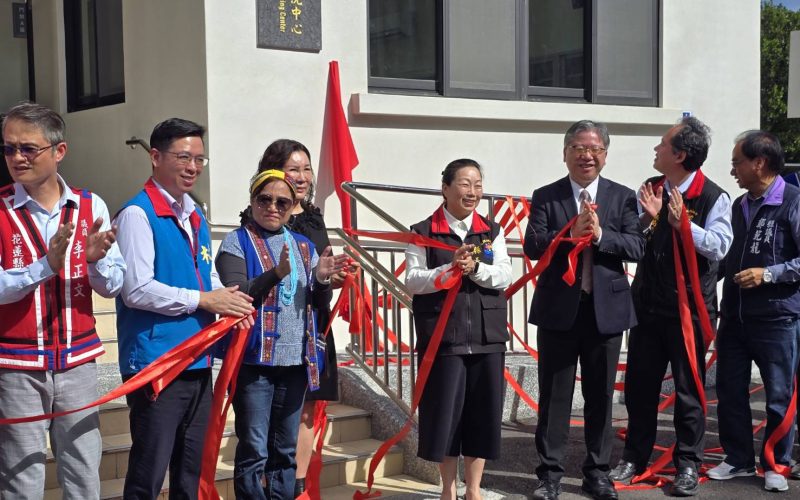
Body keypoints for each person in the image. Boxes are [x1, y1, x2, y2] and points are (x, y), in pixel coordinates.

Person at [115, 118, 255, 499]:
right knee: (149, 471)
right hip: (157, 364)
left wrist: (228, 302)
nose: (193, 167)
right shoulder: (137, 214)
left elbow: (205, 274)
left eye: (199, 159)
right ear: (155, 157)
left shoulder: (195, 214)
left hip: (197, 360)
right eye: (184, 157)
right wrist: (204, 300)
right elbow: (136, 290)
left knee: (191, 471)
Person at [0, 102, 125, 499]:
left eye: (27, 149)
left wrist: (94, 263)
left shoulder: (92, 206)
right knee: (21, 476)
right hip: (18, 364)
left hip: (78, 361)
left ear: (59, 152)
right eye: (8, 148)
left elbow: (113, 286)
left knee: (83, 470)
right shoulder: (1, 207)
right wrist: (44, 267)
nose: (16, 158)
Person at [610, 116, 733, 497]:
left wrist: (684, 225)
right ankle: (635, 456)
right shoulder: (650, 189)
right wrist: (648, 218)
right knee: (640, 387)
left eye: (662, 145)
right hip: (648, 305)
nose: (656, 150)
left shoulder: (713, 196)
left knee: (688, 390)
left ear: (680, 154)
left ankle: (688, 463)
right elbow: (633, 239)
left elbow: (719, 246)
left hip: (690, 311)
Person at [525, 120, 645, 500]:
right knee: (554, 398)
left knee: (600, 398)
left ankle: (598, 471)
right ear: (565, 154)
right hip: (560, 310)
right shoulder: (547, 196)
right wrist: (569, 236)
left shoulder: (623, 197)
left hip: (605, 312)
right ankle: (549, 475)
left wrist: (600, 237)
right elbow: (533, 245)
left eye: (593, 149)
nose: (585, 155)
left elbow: (636, 247)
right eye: (577, 148)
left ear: (605, 156)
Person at [216, 169, 346, 499]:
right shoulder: (237, 240)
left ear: (292, 207)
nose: (273, 207)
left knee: (284, 452)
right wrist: (275, 274)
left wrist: (323, 279)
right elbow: (238, 292)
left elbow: (316, 301)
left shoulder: (303, 245)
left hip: (295, 363)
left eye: (282, 202)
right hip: (254, 364)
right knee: (255, 451)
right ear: (252, 200)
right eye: (265, 199)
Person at [405, 159, 512, 500]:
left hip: (486, 337)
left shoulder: (492, 231)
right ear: (446, 188)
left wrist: (476, 268)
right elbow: (411, 279)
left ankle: (475, 489)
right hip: (443, 338)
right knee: (445, 417)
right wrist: (448, 271)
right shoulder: (423, 230)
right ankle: (448, 489)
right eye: (465, 184)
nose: (473, 191)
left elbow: (505, 274)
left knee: (482, 416)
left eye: (478, 184)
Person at [254, 139, 353, 497]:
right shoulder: (262, 217)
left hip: (315, 324)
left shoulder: (313, 217)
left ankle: (296, 487)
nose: (302, 176)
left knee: (310, 410)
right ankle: (268, 482)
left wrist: (332, 275)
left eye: (306, 168)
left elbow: (317, 271)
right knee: (274, 414)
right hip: (277, 331)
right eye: (292, 169)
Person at [707, 130, 800, 493]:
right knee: (730, 389)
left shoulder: (792, 202)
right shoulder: (739, 205)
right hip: (734, 316)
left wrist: (769, 274)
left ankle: (777, 464)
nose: (733, 170)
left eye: (737, 163)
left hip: (777, 317)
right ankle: (738, 458)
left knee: (778, 393)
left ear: (759, 163)